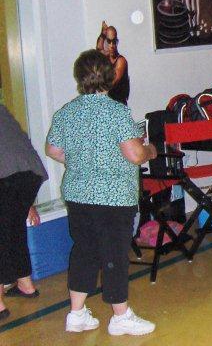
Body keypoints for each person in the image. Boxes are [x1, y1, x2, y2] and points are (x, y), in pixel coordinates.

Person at [46, 49, 158, 335]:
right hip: (113, 197)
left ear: (80, 77)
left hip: (78, 195)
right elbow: (134, 154)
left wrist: (80, 161)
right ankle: (120, 317)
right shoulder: (116, 112)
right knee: (114, 254)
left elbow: (53, 150)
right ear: (110, 77)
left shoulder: (67, 112)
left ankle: (77, 314)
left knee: (84, 250)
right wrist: (151, 150)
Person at [0, 105, 48, 321]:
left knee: (2, 235)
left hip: (6, 175)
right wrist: (27, 204)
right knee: (14, 228)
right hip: (30, 172)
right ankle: (25, 283)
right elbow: (17, 145)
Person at [96, 21, 130, 105]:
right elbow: (98, 50)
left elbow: (112, 82)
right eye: (109, 41)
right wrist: (102, 34)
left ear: (116, 42)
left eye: (114, 41)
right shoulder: (106, 56)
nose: (111, 45)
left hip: (119, 105)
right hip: (109, 104)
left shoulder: (121, 61)